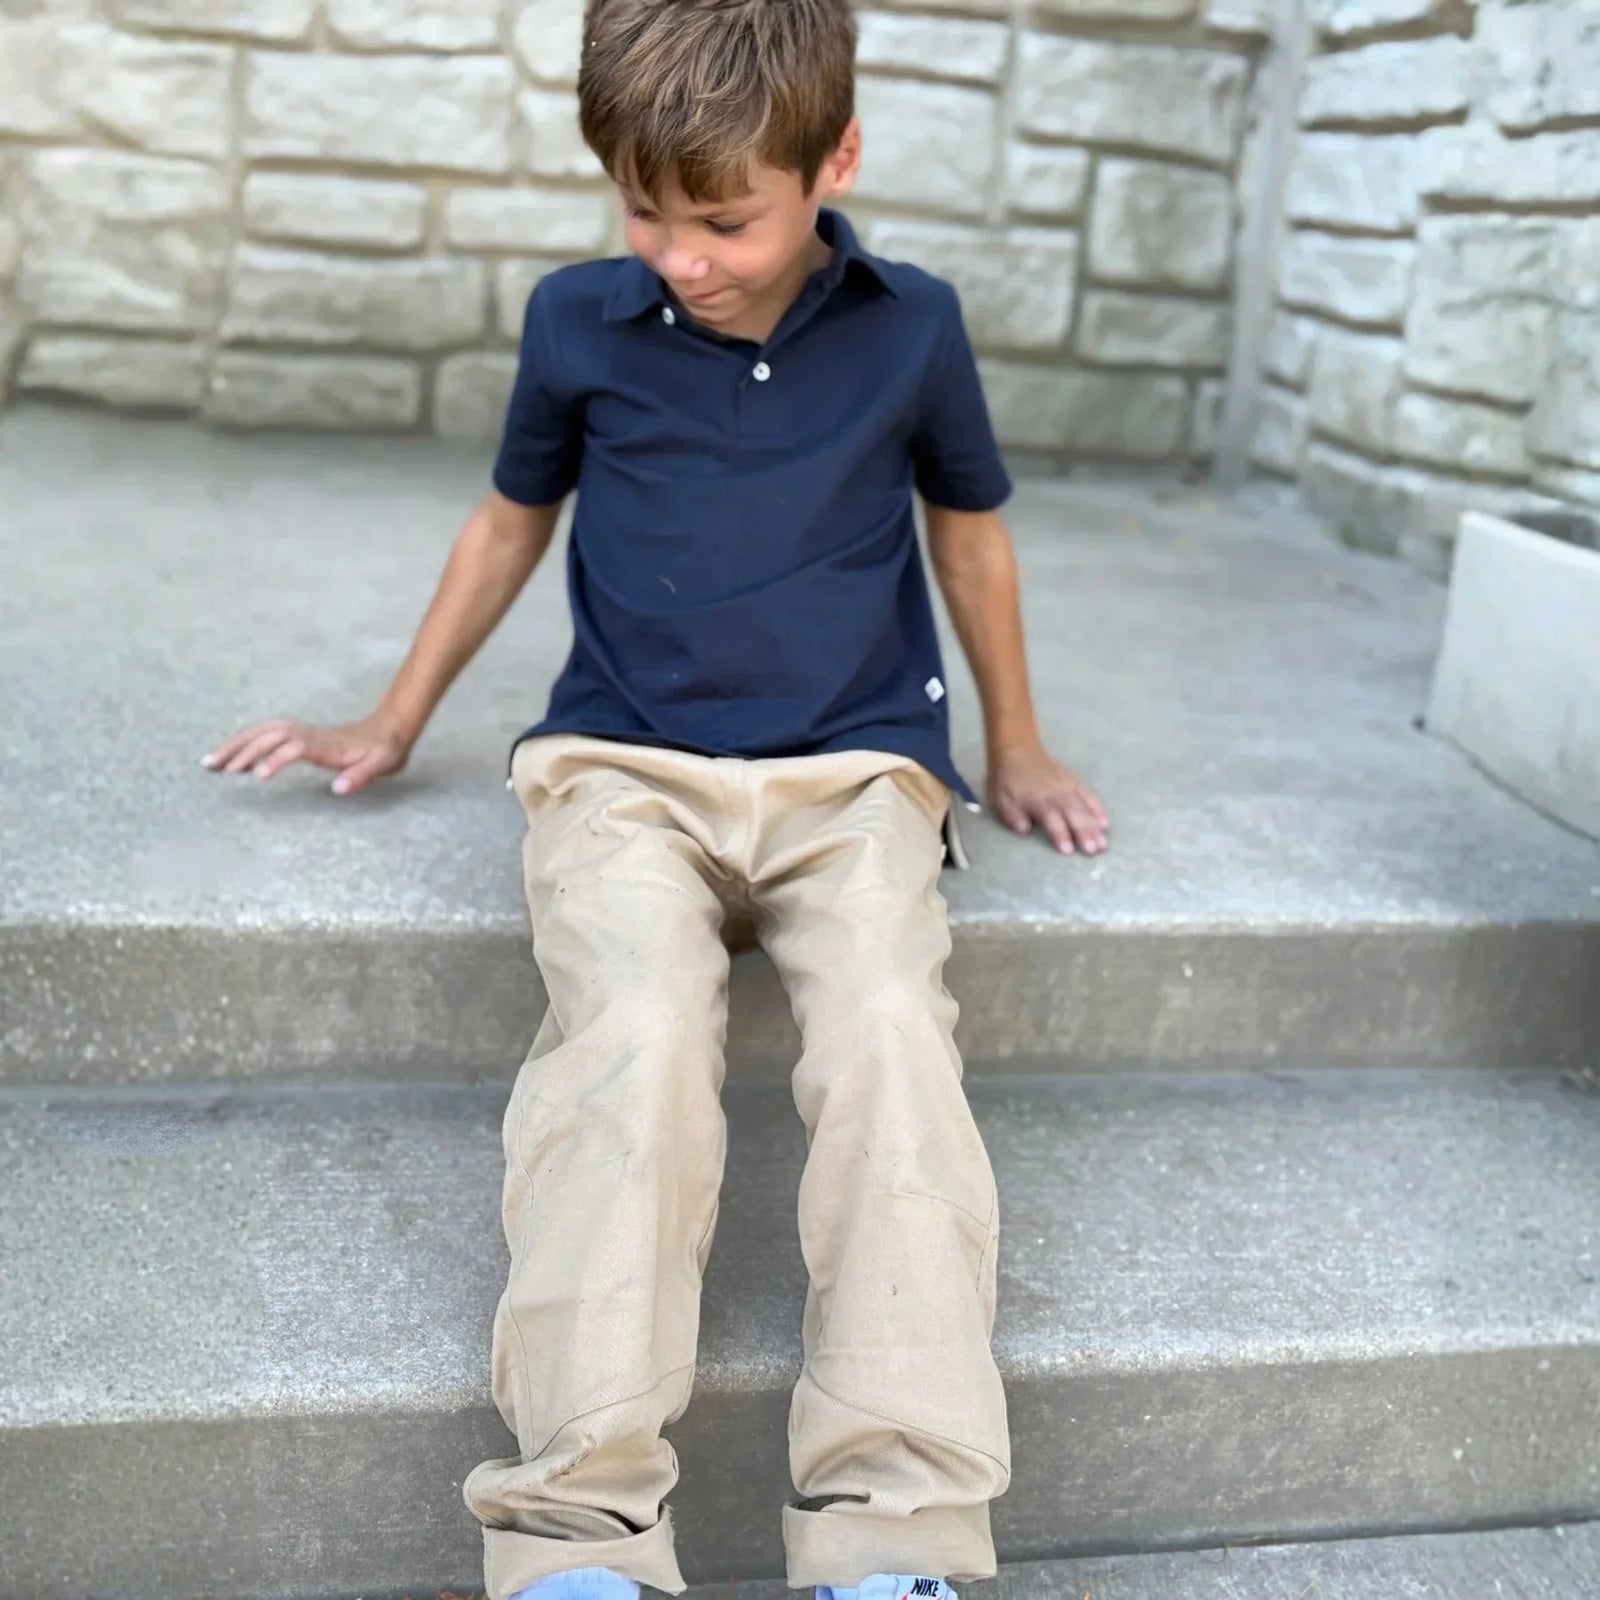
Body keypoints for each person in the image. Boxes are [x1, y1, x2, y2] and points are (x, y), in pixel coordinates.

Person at [204, 0, 1109, 1593]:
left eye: (726, 218)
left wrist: (1015, 743)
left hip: (855, 779)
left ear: (835, 157)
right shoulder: (577, 325)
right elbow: (506, 525)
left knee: (895, 1044)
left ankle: (894, 1538)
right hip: (621, 774)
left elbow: (970, 535)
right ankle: (577, 1538)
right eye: (643, 210)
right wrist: (395, 716)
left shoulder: (914, 328)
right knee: (628, 1053)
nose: (681, 255)